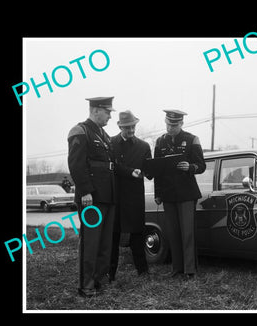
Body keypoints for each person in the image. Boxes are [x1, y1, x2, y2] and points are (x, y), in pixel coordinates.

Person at [67, 96, 117, 297]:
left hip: (107, 196)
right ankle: (86, 285)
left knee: (105, 242)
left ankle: (99, 280)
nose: (109, 117)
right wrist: (86, 191)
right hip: (92, 197)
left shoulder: (104, 135)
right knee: (91, 242)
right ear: (96, 110)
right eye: (107, 112)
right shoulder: (80, 131)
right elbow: (76, 164)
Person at [154, 110, 206, 279]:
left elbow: (201, 165)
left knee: (187, 233)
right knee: (173, 233)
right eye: (168, 124)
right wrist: (158, 193)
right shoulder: (160, 142)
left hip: (186, 194)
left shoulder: (192, 139)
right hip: (168, 195)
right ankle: (176, 268)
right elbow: (157, 171)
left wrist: (190, 167)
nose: (171, 128)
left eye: (174, 125)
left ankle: (190, 270)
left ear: (182, 124)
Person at [109, 110, 152, 280]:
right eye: (127, 127)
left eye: (133, 126)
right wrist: (129, 172)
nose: (131, 130)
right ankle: (110, 273)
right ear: (119, 126)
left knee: (137, 236)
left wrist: (158, 168)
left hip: (135, 199)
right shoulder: (110, 144)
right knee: (113, 237)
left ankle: (143, 272)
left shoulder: (144, 146)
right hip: (116, 197)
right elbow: (110, 166)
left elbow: (149, 170)